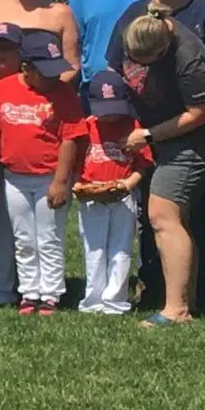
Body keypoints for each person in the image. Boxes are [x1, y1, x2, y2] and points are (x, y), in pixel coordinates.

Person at [117, 10, 205, 326]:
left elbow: (201, 112)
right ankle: (184, 301)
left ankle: (177, 310)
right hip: (157, 138)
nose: (139, 66)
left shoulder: (189, 56)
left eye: (146, 61)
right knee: (173, 219)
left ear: (163, 51)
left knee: (163, 215)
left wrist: (148, 135)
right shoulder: (136, 26)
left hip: (192, 142)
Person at [0, 31, 85, 314]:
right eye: (46, 72)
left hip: (48, 177)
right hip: (14, 176)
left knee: (49, 236)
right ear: (26, 68)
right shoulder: (3, 89)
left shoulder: (63, 94)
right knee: (24, 239)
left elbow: (70, 137)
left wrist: (60, 180)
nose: (53, 78)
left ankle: (52, 293)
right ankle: (30, 292)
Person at [72, 69, 148, 315]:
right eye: (105, 111)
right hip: (91, 197)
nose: (111, 117)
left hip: (122, 195)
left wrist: (130, 183)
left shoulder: (133, 126)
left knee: (121, 248)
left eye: (115, 109)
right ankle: (93, 301)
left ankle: (115, 301)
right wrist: (77, 185)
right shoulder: (86, 127)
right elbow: (74, 163)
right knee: (94, 248)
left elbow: (143, 163)